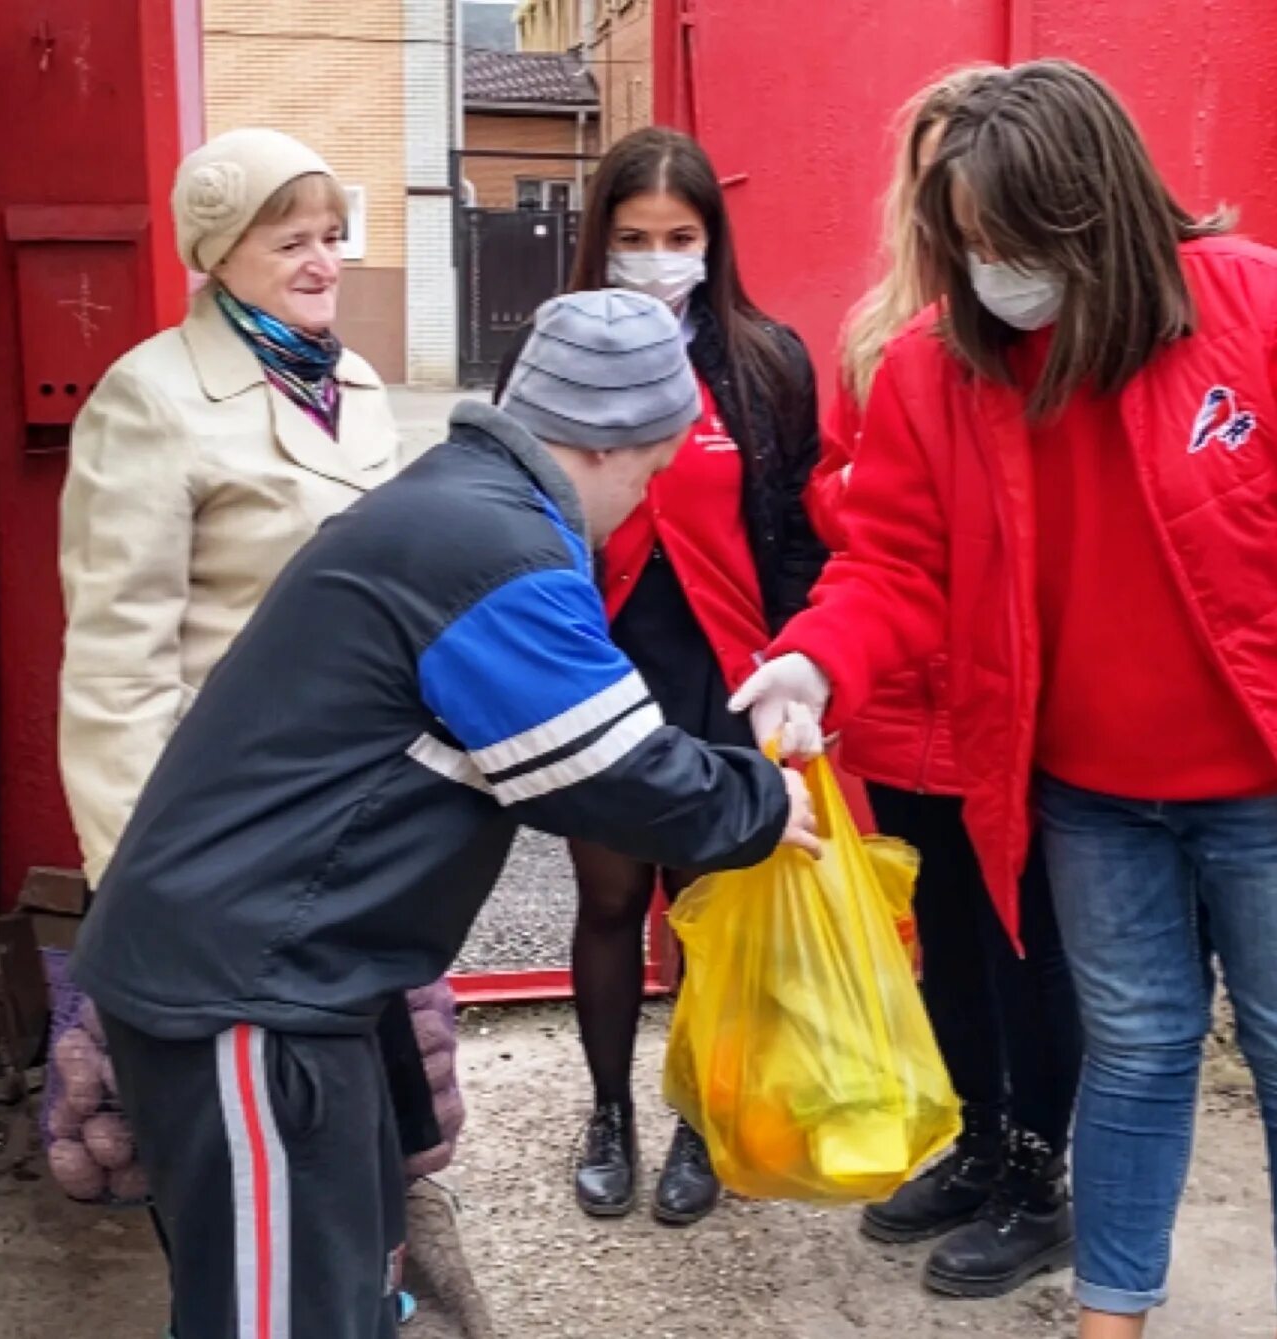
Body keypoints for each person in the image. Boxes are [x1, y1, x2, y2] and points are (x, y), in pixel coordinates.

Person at [734, 61, 1277, 1339]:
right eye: (964, 243)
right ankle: (1110, 1316)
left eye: (1013, 240)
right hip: (1085, 793)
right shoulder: (932, 369)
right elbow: (894, 563)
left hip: (1270, 790)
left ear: (1098, 214)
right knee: (1132, 1056)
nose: (991, 271)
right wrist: (818, 658)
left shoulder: (1260, 316)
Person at [73, 289, 821, 1339]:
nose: (638, 503)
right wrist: (762, 797)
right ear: (610, 448)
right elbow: (604, 770)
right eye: (650, 474)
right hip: (250, 993)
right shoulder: (497, 553)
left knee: (339, 1297)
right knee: (278, 1318)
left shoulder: (454, 502)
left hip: (278, 977)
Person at [56, 128, 458, 1317]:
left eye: (332, 235)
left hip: (354, 829)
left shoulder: (360, 383)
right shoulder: (150, 398)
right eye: (290, 241)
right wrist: (136, 878)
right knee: (238, 1163)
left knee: (353, 1137)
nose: (322, 261)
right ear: (217, 252)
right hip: (217, 840)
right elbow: (114, 663)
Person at [496, 126, 826, 1226]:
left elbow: (794, 535)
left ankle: (696, 1117)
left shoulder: (765, 359)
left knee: (704, 907)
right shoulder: (547, 351)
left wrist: (802, 661)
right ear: (599, 239)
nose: (656, 257)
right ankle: (606, 1113)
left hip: (721, 671)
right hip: (600, 662)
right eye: (632, 237)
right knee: (606, 896)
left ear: (710, 238)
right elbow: (517, 516)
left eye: (678, 236)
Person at [813, 67, 1082, 1298]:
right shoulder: (880, 336)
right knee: (949, 950)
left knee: (1033, 951)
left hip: (1003, 701)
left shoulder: (1050, 334)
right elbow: (837, 497)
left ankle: (1038, 1170)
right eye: (932, 181)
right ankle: (976, 1140)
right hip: (897, 701)